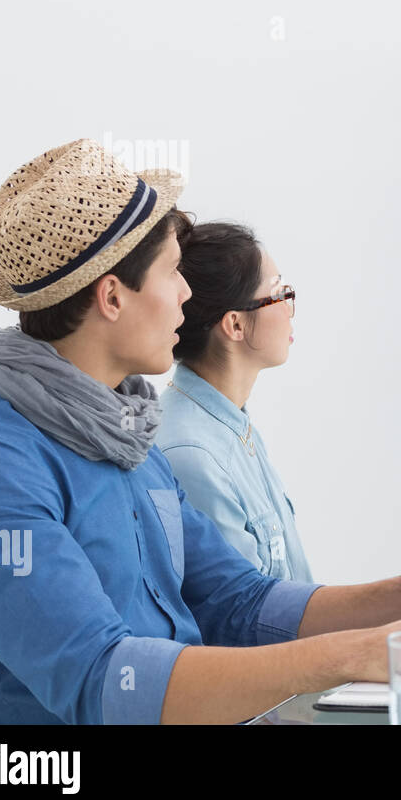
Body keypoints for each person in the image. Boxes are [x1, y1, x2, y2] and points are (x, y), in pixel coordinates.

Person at [0, 138, 401, 725]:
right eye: (173, 274)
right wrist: (368, 651)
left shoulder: (123, 429)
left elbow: (237, 600)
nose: (188, 296)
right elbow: (102, 682)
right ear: (111, 296)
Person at [157, 221, 311, 581]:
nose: (290, 305)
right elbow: (243, 619)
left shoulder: (235, 427)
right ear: (235, 325)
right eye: (279, 292)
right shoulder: (192, 455)